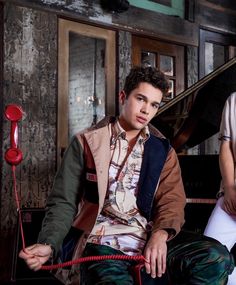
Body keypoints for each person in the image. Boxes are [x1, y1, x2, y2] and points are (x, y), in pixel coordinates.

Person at [19, 66, 234, 285]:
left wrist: (160, 234)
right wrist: (49, 243)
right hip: (100, 242)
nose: (146, 110)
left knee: (215, 257)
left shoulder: (163, 150)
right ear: (123, 96)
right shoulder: (87, 143)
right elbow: (63, 201)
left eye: (154, 104)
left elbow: (172, 199)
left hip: (145, 236)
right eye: (141, 99)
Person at [204, 92, 236, 285]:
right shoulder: (234, 100)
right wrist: (230, 187)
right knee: (206, 256)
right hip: (232, 193)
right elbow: (226, 146)